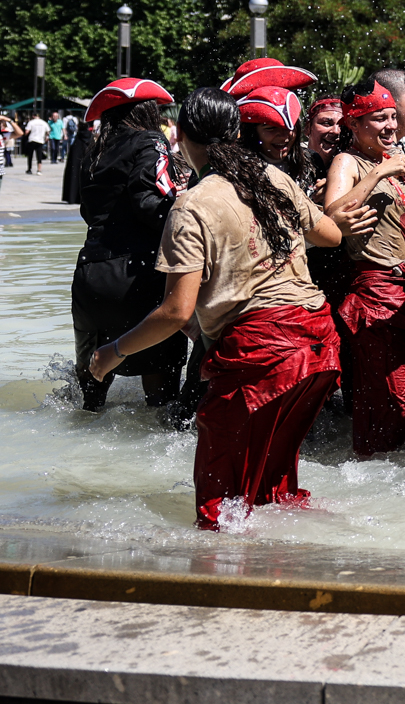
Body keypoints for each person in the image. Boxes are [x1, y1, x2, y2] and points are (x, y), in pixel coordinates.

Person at [88, 88, 345, 531]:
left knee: (219, 513)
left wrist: (112, 352)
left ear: (180, 133)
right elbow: (331, 235)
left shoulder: (192, 206)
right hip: (320, 344)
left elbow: (173, 311)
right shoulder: (273, 179)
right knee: (272, 493)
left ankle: (221, 586)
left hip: (263, 354)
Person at [324, 78, 405, 456]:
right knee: (388, 397)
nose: (390, 126)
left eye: (392, 118)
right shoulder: (349, 161)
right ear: (353, 125)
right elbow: (331, 215)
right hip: (374, 294)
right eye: (378, 119)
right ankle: (374, 467)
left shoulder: (395, 163)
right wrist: (375, 175)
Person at [71, 78, 186, 411]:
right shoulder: (151, 141)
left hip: (89, 277)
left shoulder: (95, 151)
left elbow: (87, 210)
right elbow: (149, 200)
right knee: (161, 403)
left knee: (90, 400)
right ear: (148, 112)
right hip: (137, 276)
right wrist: (184, 205)